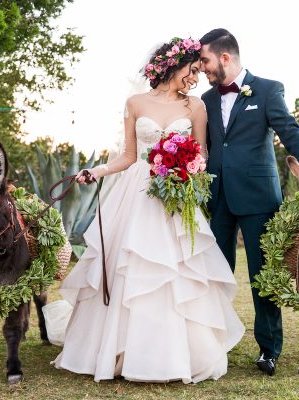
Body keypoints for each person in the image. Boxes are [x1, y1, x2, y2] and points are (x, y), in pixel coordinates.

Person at [47, 36, 245, 384]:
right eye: (192, 70)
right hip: (137, 189)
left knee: (175, 271)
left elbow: (203, 155)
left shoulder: (194, 107)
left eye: (199, 71)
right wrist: (97, 171)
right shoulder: (135, 102)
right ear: (173, 64)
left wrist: (187, 173)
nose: (195, 77)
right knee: (130, 267)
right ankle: (117, 349)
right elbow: (126, 156)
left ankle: (170, 355)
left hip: (175, 194)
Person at [199, 28, 299, 376]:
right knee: (214, 273)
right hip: (217, 197)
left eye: (205, 61)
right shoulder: (205, 100)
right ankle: (212, 342)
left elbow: (291, 133)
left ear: (225, 57)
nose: (202, 68)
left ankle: (269, 349)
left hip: (258, 197)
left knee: (261, 276)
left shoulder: (267, 89)